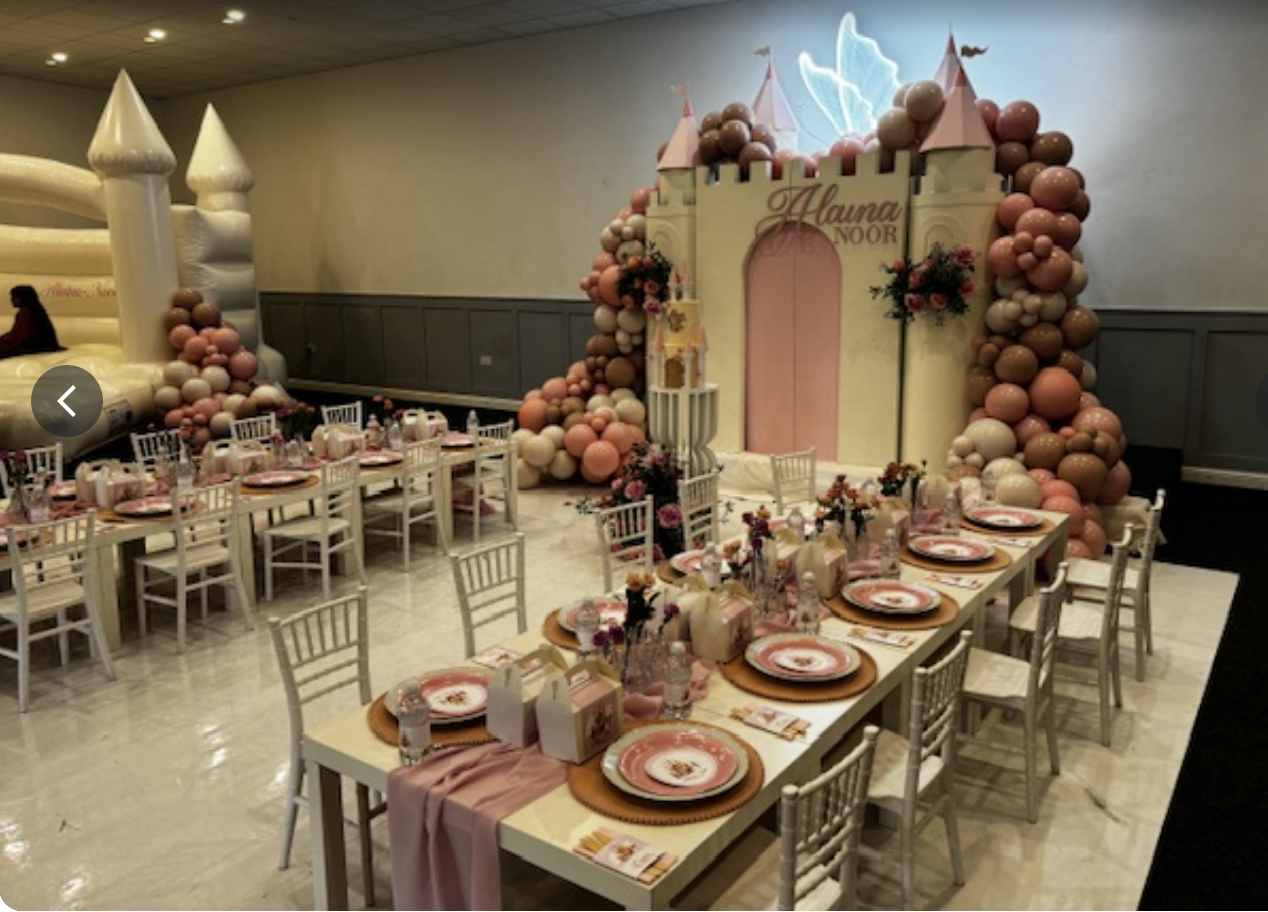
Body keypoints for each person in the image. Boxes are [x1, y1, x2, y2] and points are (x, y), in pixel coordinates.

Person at [0, 285, 64, 359]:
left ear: (23, 298)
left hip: (34, 348)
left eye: (14, 297)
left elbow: (19, 336)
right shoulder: (36, 311)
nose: (11, 300)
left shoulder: (25, 312)